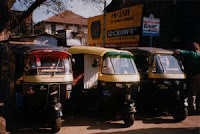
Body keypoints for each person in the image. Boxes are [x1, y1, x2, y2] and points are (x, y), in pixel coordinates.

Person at [174, 42, 200, 115]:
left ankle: (192, 109)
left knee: (192, 93)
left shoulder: (191, 53)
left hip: (195, 76)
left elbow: (177, 51)